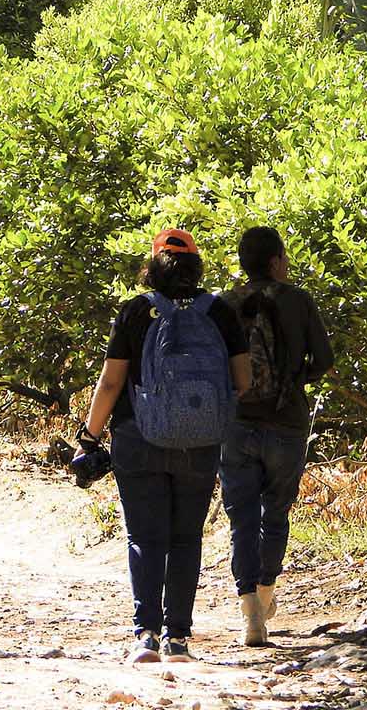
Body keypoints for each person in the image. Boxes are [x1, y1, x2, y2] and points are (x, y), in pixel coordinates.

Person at [76, 228, 251, 664]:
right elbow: (244, 382)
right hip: (202, 442)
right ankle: (178, 639)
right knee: (186, 538)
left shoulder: (136, 311)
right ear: (196, 267)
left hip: (138, 436)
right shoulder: (220, 313)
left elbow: (112, 381)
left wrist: (90, 435)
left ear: (152, 267)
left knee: (144, 536)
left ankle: (146, 634)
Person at [218, 226, 335, 646]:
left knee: (242, 516)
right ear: (274, 262)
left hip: (236, 420)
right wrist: (294, 381)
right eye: (283, 256)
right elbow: (324, 358)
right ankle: (266, 593)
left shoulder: (223, 304)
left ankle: (249, 610)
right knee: (276, 512)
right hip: (286, 420)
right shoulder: (298, 300)